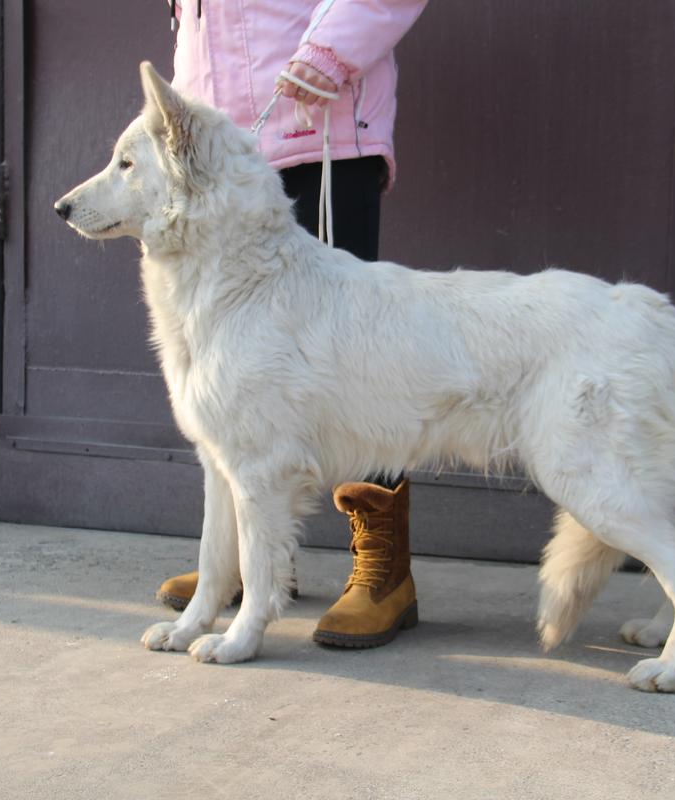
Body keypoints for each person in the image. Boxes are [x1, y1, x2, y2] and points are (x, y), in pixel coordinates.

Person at [154, 0, 429, 648]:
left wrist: (330, 52)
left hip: (319, 123)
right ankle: (251, 566)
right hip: (224, 155)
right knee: (236, 382)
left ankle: (382, 568)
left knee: (357, 361)